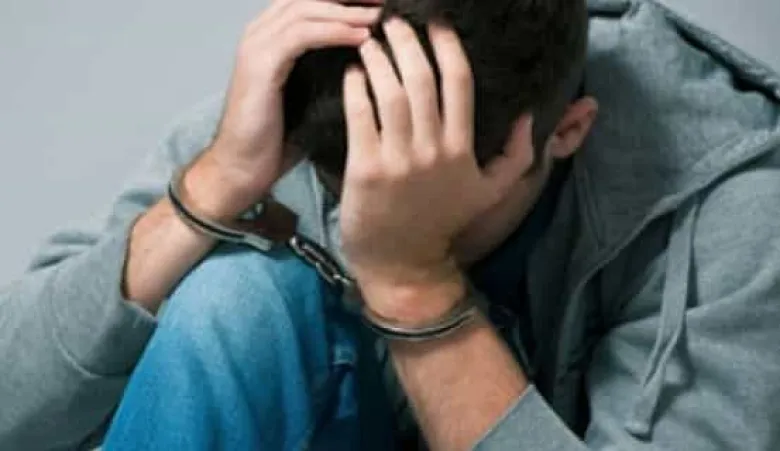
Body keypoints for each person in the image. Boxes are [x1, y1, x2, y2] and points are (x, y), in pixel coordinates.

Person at [1, 0, 779, 448]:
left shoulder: (730, 207)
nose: (361, 210)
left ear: (567, 131)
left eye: (427, 186)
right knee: (233, 302)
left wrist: (413, 279)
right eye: (344, 186)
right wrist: (209, 189)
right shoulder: (303, 109)